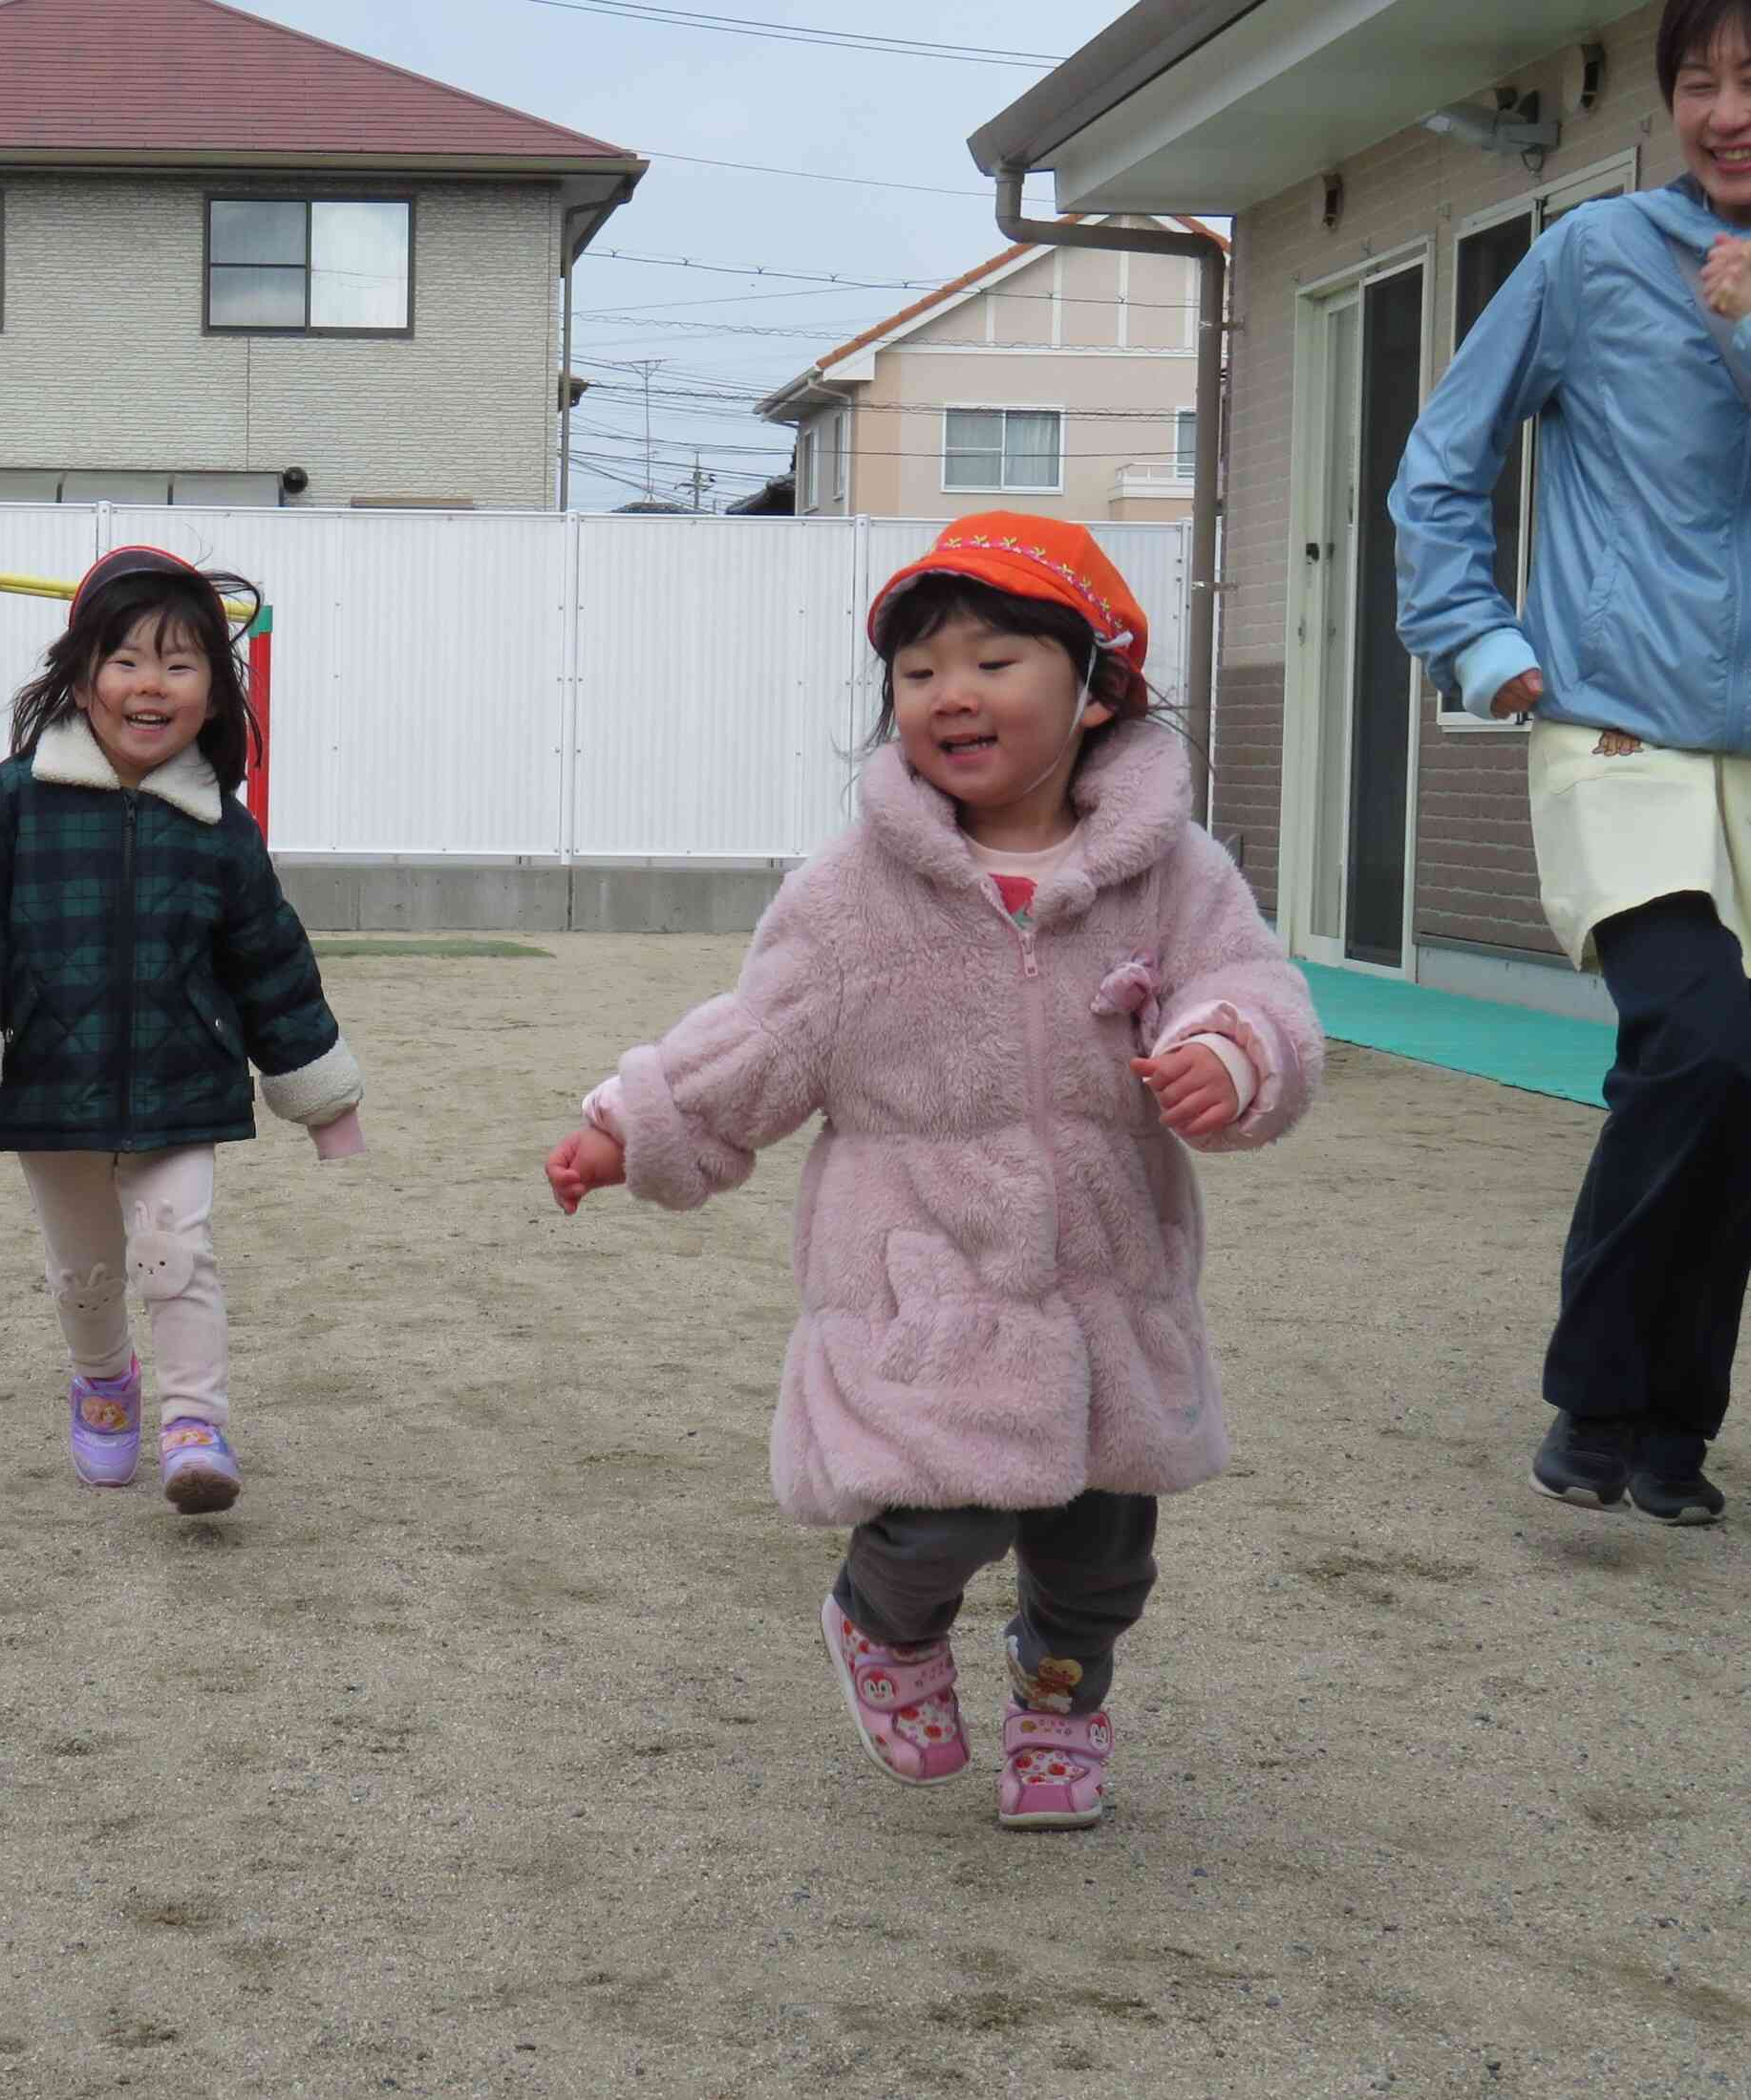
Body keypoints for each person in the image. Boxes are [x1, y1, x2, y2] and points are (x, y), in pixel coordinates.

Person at [545, 516, 1320, 1830]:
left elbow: (1249, 984)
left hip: (1105, 1271)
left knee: (1099, 1546)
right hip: (921, 1270)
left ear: (1094, 690)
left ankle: (1060, 1704)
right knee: (933, 1517)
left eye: (994, 659)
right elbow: (767, 1035)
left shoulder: (1171, 873)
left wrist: (1229, 1053)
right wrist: (636, 1122)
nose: (949, 692)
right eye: (916, 672)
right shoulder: (854, 892)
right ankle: (879, 1624)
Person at [1391, 0, 1751, 1528]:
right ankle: (1596, 1391)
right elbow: (1439, 459)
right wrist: (1476, 637)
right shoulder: (1593, 259)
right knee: (1698, 1042)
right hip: (1620, 728)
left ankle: (1672, 1431)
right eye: (1699, 81)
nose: (1726, 109)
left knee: (1743, 1090)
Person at [0, 547, 365, 1515]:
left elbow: (272, 961)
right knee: (88, 1269)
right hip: (48, 1085)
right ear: (80, 676)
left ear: (212, 692)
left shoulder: (218, 830)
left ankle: (196, 1422)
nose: (152, 684)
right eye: (127, 660)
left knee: (176, 1247)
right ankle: (104, 1383)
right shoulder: (1, 809)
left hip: (179, 1081)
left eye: (182, 663)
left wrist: (321, 1092)